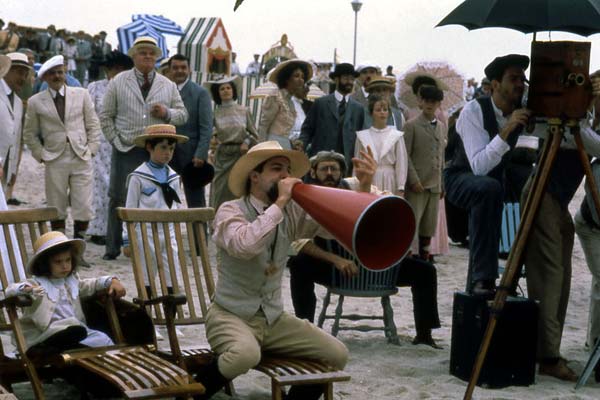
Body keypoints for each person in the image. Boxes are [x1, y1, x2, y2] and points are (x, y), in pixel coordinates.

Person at [202, 140, 376, 399]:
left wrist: (363, 187)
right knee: (245, 355)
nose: (286, 176)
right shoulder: (230, 210)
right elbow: (245, 245)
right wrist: (281, 202)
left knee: (336, 354)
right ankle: (196, 393)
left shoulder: (291, 211)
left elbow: (340, 229)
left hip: (273, 319)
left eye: (288, 170)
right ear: (255, 176)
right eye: (276, 169)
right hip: (230, 315)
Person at [287, 150, 441, 347]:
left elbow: (388, 206)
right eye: (323, 169)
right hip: (338, 270)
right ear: (314, 173)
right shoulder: (307, 197)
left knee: (425, 271)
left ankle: (424, 335)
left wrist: (365, 185)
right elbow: (297, 241)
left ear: (341, 173)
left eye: (334, 169)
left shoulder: (356, 185)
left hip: (375, 269)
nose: (329, 173)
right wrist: (336, 260)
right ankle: (305, 329)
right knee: (298, 264)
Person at [523, 72, 600, 382]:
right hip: (544, 196)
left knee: (561, 277)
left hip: (557, 201)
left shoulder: (582, 122)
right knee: (551, 279)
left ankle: (549, 351)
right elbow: (590, 142)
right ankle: (548, 356)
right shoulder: (570, 125)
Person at [443, 54, 532, 297]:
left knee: (527, 186)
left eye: (522, 79)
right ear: (494, 84)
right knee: (488, 187)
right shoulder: (473, 111)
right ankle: (483, 278)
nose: (519, 84)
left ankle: (515, 275)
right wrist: (508, 128)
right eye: (513, 79)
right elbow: (479, 166)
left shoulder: (523, 110)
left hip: (497, 182)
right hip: (460, 177)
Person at [99, 36, 187, 260]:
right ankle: (112, 247)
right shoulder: (119, 81)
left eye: (151, 53)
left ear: (157, 57)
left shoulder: (167, 85)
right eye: (142, 52)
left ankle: (148, 247)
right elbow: (106, 116)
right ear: (133, 56)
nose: (147, 56)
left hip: (156, 150)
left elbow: (182, 114)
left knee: (153, 195)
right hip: (126, 147)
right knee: (118, 196)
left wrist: (166, 113)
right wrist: (116, 141)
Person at [4, 230, 125, 355]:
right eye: (58, 262)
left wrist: (111, 280)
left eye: (68, 260)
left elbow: (91, 284)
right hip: (47, 332)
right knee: (70, 332)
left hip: (75, 329)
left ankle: (71, 349)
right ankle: (45, 348)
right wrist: (25, 289)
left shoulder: (72, 282)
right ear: (44, 264)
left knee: (101, 338)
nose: (65, 266)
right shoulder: (38, 284)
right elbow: (10, 290)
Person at [23, 55, 101, 238]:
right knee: (56, 204)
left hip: (81, 155)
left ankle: (77, 249)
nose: (57, 76)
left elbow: (93, 124)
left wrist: (92, 149)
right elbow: (29, 133)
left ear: (65, 73)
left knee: (83, 204)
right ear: (44, 77)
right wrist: (40, 154)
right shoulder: (36, 101)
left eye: (60, 72)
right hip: (54, 157)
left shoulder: (81, 94)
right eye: (52, 74)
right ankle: (60, 244)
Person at [122, 124, 188, 295]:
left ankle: (170, 312)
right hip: (145, 233)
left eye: (171, 149)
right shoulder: (138, 177)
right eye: (163, 148)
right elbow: (129, 209)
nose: (168, 153)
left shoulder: (174, 177)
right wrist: (127, 240)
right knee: (146, 274)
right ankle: (147, 308)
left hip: (168, 231)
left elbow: (177, 205)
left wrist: (178, 231)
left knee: (172, 272)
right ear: (150, 147)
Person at [86, 50, 133, 246]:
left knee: (119, 187)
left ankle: (116, 230)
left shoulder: (129, 89)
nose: (117, 72)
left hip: (120, 141)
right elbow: (87, 114)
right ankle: (97, 229)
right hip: (99, 142)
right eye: (114, 68)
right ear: (107, 69)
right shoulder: (95, 88)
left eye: (122, 69)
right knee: (98, 186)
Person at [404, 85, 447, 261]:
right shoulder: (411, 125)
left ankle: (425, 256)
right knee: (411, 223)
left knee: (429, 226)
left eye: (434, 101)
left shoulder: (442, 126)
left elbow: (441, 156)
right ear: (420, 102)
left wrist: (442, 182)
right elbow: (405, 155)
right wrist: (413, 180)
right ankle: (405, 258)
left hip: (434, 183)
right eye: (427, 101)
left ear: (438, 104)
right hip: (417, 184)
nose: (430, 104)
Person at [300, 63, 365, 176]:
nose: (349, 82)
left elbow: (361, 137)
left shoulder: (358, 109)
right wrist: (300, 147)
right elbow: (307, 130)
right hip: (320, 162)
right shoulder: (321, 103)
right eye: (346, 78)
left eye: (352, 79)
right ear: (336, 79)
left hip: (345, 166)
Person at [167, 54, 213, 208]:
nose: (179, 71)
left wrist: (201, 153)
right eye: (175, 68)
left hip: (191, 156)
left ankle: (199, 232)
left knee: (196, 201)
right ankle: (170, 232)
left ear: (189, 70)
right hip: (166, 153)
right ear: (169, 70)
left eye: (183, 67)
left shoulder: (200, 93)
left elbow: (206, 127)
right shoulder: (162, 91)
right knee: (166, 199)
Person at [206, 76, 258, 210]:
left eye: (228, 87)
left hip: (241, 155)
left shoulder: (244, 110)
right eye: (222, 88)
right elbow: (210, 133)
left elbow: (255, 134)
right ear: (217, 93)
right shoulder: (215, 113)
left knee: (239, 189)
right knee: (220, 190)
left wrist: (246, 142)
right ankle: (217, 223)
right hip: (222, 155)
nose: (225, 91)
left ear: (233, 90)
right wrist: (213, 140)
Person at [354, 94, 407, 196]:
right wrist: (357, 183)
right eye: (378, 110)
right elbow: (358, 162)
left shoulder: (396, 135)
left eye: (385, 109)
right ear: (372, 113)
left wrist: (400, 187)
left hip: (389, 178)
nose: (382, 112)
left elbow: (401, 162)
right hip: (369, 179)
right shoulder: (362, 136)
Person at [258, 58, 313, 149]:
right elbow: (264, 126)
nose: (301, 80)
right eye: (296, 76)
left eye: (303, 77)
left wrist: (293, 143)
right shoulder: (275, 97)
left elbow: (285, 131)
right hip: (272, 145)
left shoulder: (290, 101)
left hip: (286, 145)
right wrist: (260, 149)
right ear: (287, 78)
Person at [0, 53, 30, 194]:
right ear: (7, 70)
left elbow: (16, 139)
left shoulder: (18, 102)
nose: (23, 79)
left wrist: (12, 170)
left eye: (26, 75)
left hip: (5, 170)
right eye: (20, 73)